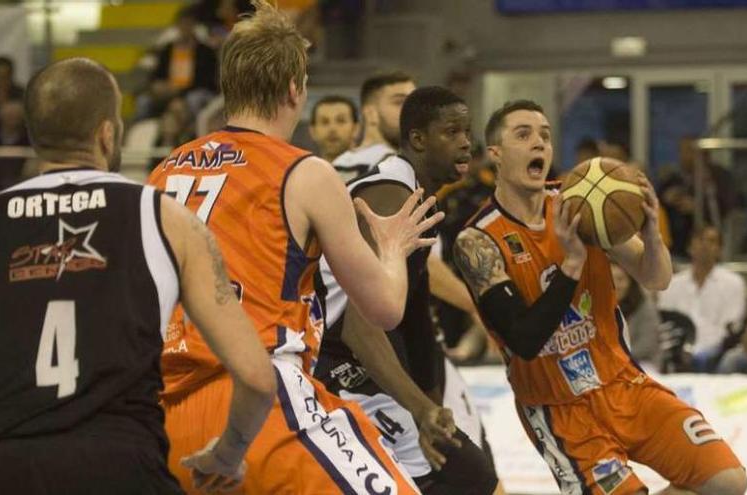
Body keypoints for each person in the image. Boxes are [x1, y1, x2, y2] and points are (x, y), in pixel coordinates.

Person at [0, 58, 277, 495]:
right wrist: (227, 453)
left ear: (33, 135)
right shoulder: (165, 218)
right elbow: (258, 379)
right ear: (107, 132)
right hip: (117, 464)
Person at [146, 2, 439, 493]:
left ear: (227, 86)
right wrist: (392, 247)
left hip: (165, 412)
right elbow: (384, 310)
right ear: (294, 90)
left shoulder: (164, 171)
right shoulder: (305, 172)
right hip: (260, 400)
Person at [455, 99, 747, 495]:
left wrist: (650, 234)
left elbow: (656, 278)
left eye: (545, 135)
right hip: (561, 410)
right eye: (523, 135)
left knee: (728, 481)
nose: (538, 143)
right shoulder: (478, 241)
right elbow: (524, 341)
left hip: (624, 384)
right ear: (496, 153)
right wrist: (571, 265)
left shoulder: (581, 203)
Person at [314, 86, 504, 495]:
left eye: (467, 131)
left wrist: (432, 404)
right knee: (460, 478)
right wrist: (420, 411)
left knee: (470, 474)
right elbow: (359, 329)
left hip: (369, 356)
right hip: (333, 362)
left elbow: (416, 318)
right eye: (451, 132)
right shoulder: (386, 195)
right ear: (418, 139)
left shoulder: (419, 198)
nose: (466, 142)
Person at [658, 226, 747, 372]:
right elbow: (666, 322)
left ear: (719, 250)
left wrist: (704, 351)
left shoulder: (733, 283)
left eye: (712, 241)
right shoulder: (672, 283)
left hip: (716, 351)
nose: (705, 245)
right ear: (689, 247)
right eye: (700, 240)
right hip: (678, 350)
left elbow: (732, 326)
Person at [139, 6, 219, 120]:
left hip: (194, 90)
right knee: (143, 101)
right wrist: (157, 85)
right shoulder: (168, 49)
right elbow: (157, 74)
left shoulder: (205, 52)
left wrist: (180, 91)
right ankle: (145, 133)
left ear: (194, 26)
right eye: (182, 24)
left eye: (188, 24)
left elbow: (207, 81)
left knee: (194, 100)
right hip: (169, 90)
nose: (185, 27)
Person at [332, 70, 415, 181]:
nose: (411, 110)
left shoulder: (337, 163)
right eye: (399, 102)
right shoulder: (395, 166)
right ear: (371, 113)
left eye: (413, 102)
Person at [611, 262, 662, 371]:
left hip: (643, 362)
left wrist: (616, 357)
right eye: (610, 280)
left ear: (630, 282)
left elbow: (646, 345)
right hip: (610, 363)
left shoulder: (645, 307)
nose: (615, 285)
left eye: (620, 280)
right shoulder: (598, 309)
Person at [307, 94, 359, 163]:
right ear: (312, 131)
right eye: (324, 122)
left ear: (355, 128)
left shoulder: (372, 170)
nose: (332, 128)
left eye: (341, 121)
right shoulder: (301, 172)